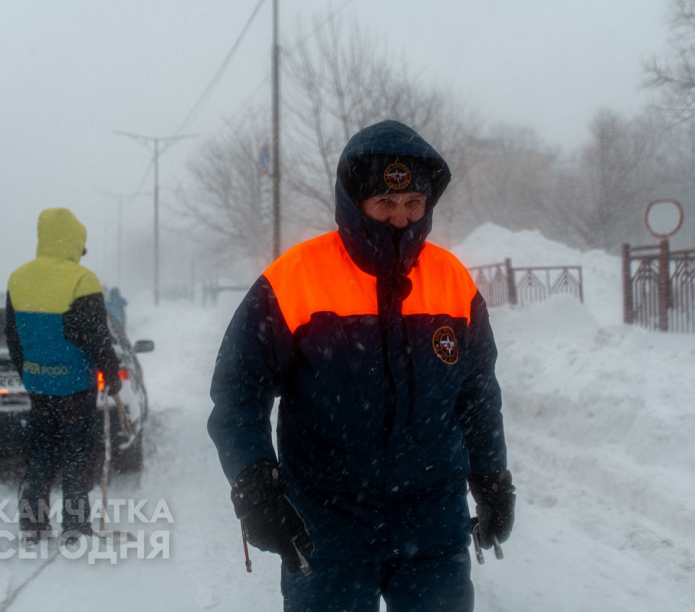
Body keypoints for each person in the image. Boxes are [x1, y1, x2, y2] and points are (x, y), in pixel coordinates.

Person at [208, 120, 515, 611]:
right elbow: (238, 392)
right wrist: (253, 483)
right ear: (355, 204)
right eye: (386, 204)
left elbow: (477, 392)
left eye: (414, 204)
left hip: (432, 520)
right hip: (327, 521)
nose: (401, 219)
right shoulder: (295, 279)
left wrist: (493, 479)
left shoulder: (451, 279)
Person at [5, 207, 122, 543]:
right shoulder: (82, 280)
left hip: (39, 386)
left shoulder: (18, 278)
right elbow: (96, 336)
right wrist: (110, 374)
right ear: (74, 241)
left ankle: (33, 525)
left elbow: (12, 337)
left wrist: (28, 372)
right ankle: (75, 525)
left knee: (40, 454)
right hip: (75, 385)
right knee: (75, 455)